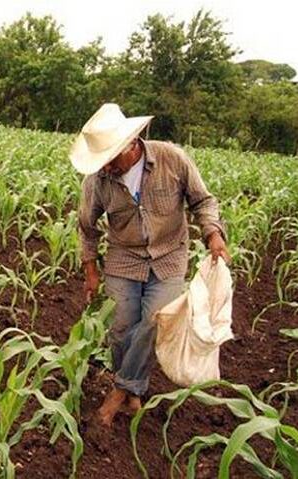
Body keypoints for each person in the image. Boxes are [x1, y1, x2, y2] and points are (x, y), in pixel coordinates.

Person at [71, 104, 230, 426]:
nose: (106, 167)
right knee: (119, 331)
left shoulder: (172, 159)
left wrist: (213, 233)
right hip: (123, 259)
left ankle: (118, 392)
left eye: (110, 159)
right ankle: (132, 393)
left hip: (169, 256)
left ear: (131, 144)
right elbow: (87, 227)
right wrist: (90, 271)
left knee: (154, 321)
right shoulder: (97, 180)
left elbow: (202, 200)